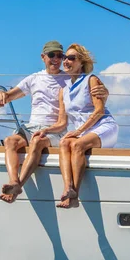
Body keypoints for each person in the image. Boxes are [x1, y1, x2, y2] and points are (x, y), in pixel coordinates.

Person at [0, 41, 108, 203]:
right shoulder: (34, 78)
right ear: (43, 57)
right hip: (32, 126)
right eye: (51, 55)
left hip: (56, 129)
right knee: (10, 141)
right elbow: (9, 96)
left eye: (60, 56)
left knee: (37, 141)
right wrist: (1, 93)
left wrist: (105, 91)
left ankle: (18, 186)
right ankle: (14, 181)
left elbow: (89, 86)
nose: (56, 59)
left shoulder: (68, 78)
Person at [33, 43, 118, 209]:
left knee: (77, 144)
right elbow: (62, 123)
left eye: (71, 58)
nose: (65, 61)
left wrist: (78, 131)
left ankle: (75, 195)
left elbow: (99, 110)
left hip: (103, 126)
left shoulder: (91, 80)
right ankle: (68, 189)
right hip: (85, 131)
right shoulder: (63, 90)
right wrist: (46, 130)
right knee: (65, 142)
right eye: (65, 57)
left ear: (81, 62)